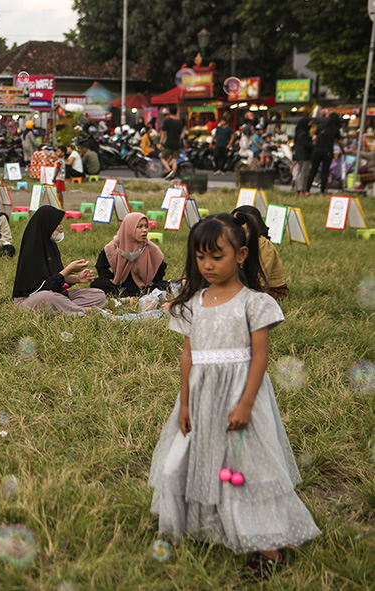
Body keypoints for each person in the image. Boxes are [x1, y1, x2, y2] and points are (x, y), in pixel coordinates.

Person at [149, 214, 319, 581]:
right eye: (200, 257)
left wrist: (244, 404)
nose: (207, 265)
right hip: (200, 395)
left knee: (249, 466)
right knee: (197, 459)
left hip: (241, 395)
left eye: (217, 256)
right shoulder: (193, 302)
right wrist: (185, 403)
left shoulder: (254, 303)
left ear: (241, 254)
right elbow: (187, 356)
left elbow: (259, 357)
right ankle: (210, 525)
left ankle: (268, 545)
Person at [12, 205, 106, 314]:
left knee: (98, 294)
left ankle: (65, 308)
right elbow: (40, 289)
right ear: (48, 225)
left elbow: (57, 277)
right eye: (58, 224)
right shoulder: (32, 251)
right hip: (31, 300)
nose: (61, 227)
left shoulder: (51, 246)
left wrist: (78, 278)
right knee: (47, 298)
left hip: (56, 295)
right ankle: (84, 311)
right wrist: (69, 269)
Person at [91, 212, 168, 296]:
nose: (144, 230)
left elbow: (161, 267)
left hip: (143, 286)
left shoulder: (151, 248)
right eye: (139, 227)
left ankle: (127, 296)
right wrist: (109, 278)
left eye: (146, 226)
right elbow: (101, 265)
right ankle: (127, 295)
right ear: (129, 228)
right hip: (119, 285)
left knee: (165, 286)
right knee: (96, 283)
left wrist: (153, 280)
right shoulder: (114, 247)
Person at [232, 206, 289, 300]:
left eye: (241, 222)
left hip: (270, 291)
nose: (236, 226)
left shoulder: (263, 244)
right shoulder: (239, 240)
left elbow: (261, 280)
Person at [306, 112, 343, 194]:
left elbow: (314, 137)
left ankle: (307, 190)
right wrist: (343, 150)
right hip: (327, 151)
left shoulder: (321, 127)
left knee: (313, 170)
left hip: (317, 150)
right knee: (325, 172)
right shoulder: (336, 129)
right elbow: (340, 142)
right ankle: (322, 192)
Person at [159, 105, 183, 180]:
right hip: (176, 143)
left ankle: (169, 170)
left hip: (169, 142)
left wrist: (161, 142)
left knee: (162, 157)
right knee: (174, 159)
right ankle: (173, 174)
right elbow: (179, 135)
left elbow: (163, 133)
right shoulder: (179, 122)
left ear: (169, 112)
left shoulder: (167, 121)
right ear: (176, 112)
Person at [293, 117, 313, 196]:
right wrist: (313, 143)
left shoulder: (298, 133)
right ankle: (301, 190)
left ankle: (298, 190)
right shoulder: (304, 134)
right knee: (303, 173)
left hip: (299, 155)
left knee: (299, 173)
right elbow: (307, 145)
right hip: (305, 155)